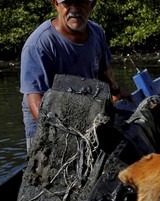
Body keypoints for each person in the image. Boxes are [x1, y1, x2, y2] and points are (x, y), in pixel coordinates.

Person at [20, 0, 123, 151]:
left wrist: (117, 92)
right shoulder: (39, 44)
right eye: (67, 3)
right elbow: (36, 102)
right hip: (48, 125)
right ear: (56, 4)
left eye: (81, 2)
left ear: (92, 4)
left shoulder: (97, 33)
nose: (74, 9)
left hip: (87, 116)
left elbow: (105, 73)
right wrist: (66, 133)